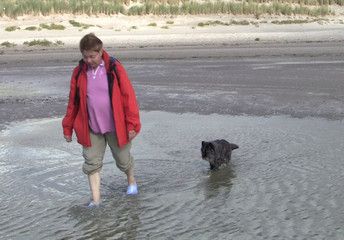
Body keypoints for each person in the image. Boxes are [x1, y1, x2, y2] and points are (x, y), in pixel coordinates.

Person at [62, 33, 141, 207]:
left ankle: (131, 180)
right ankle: (96, 200)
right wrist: (67, 128)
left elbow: (129, 97)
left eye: (92, 56)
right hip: (91, 127)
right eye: (85, 56)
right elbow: (73, 102)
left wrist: (132, 124)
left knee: (123, 160)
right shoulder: (79, 73)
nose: (88, 60)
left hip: (116, 126)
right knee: (91, 163)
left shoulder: (114, 68)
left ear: (100, 52)